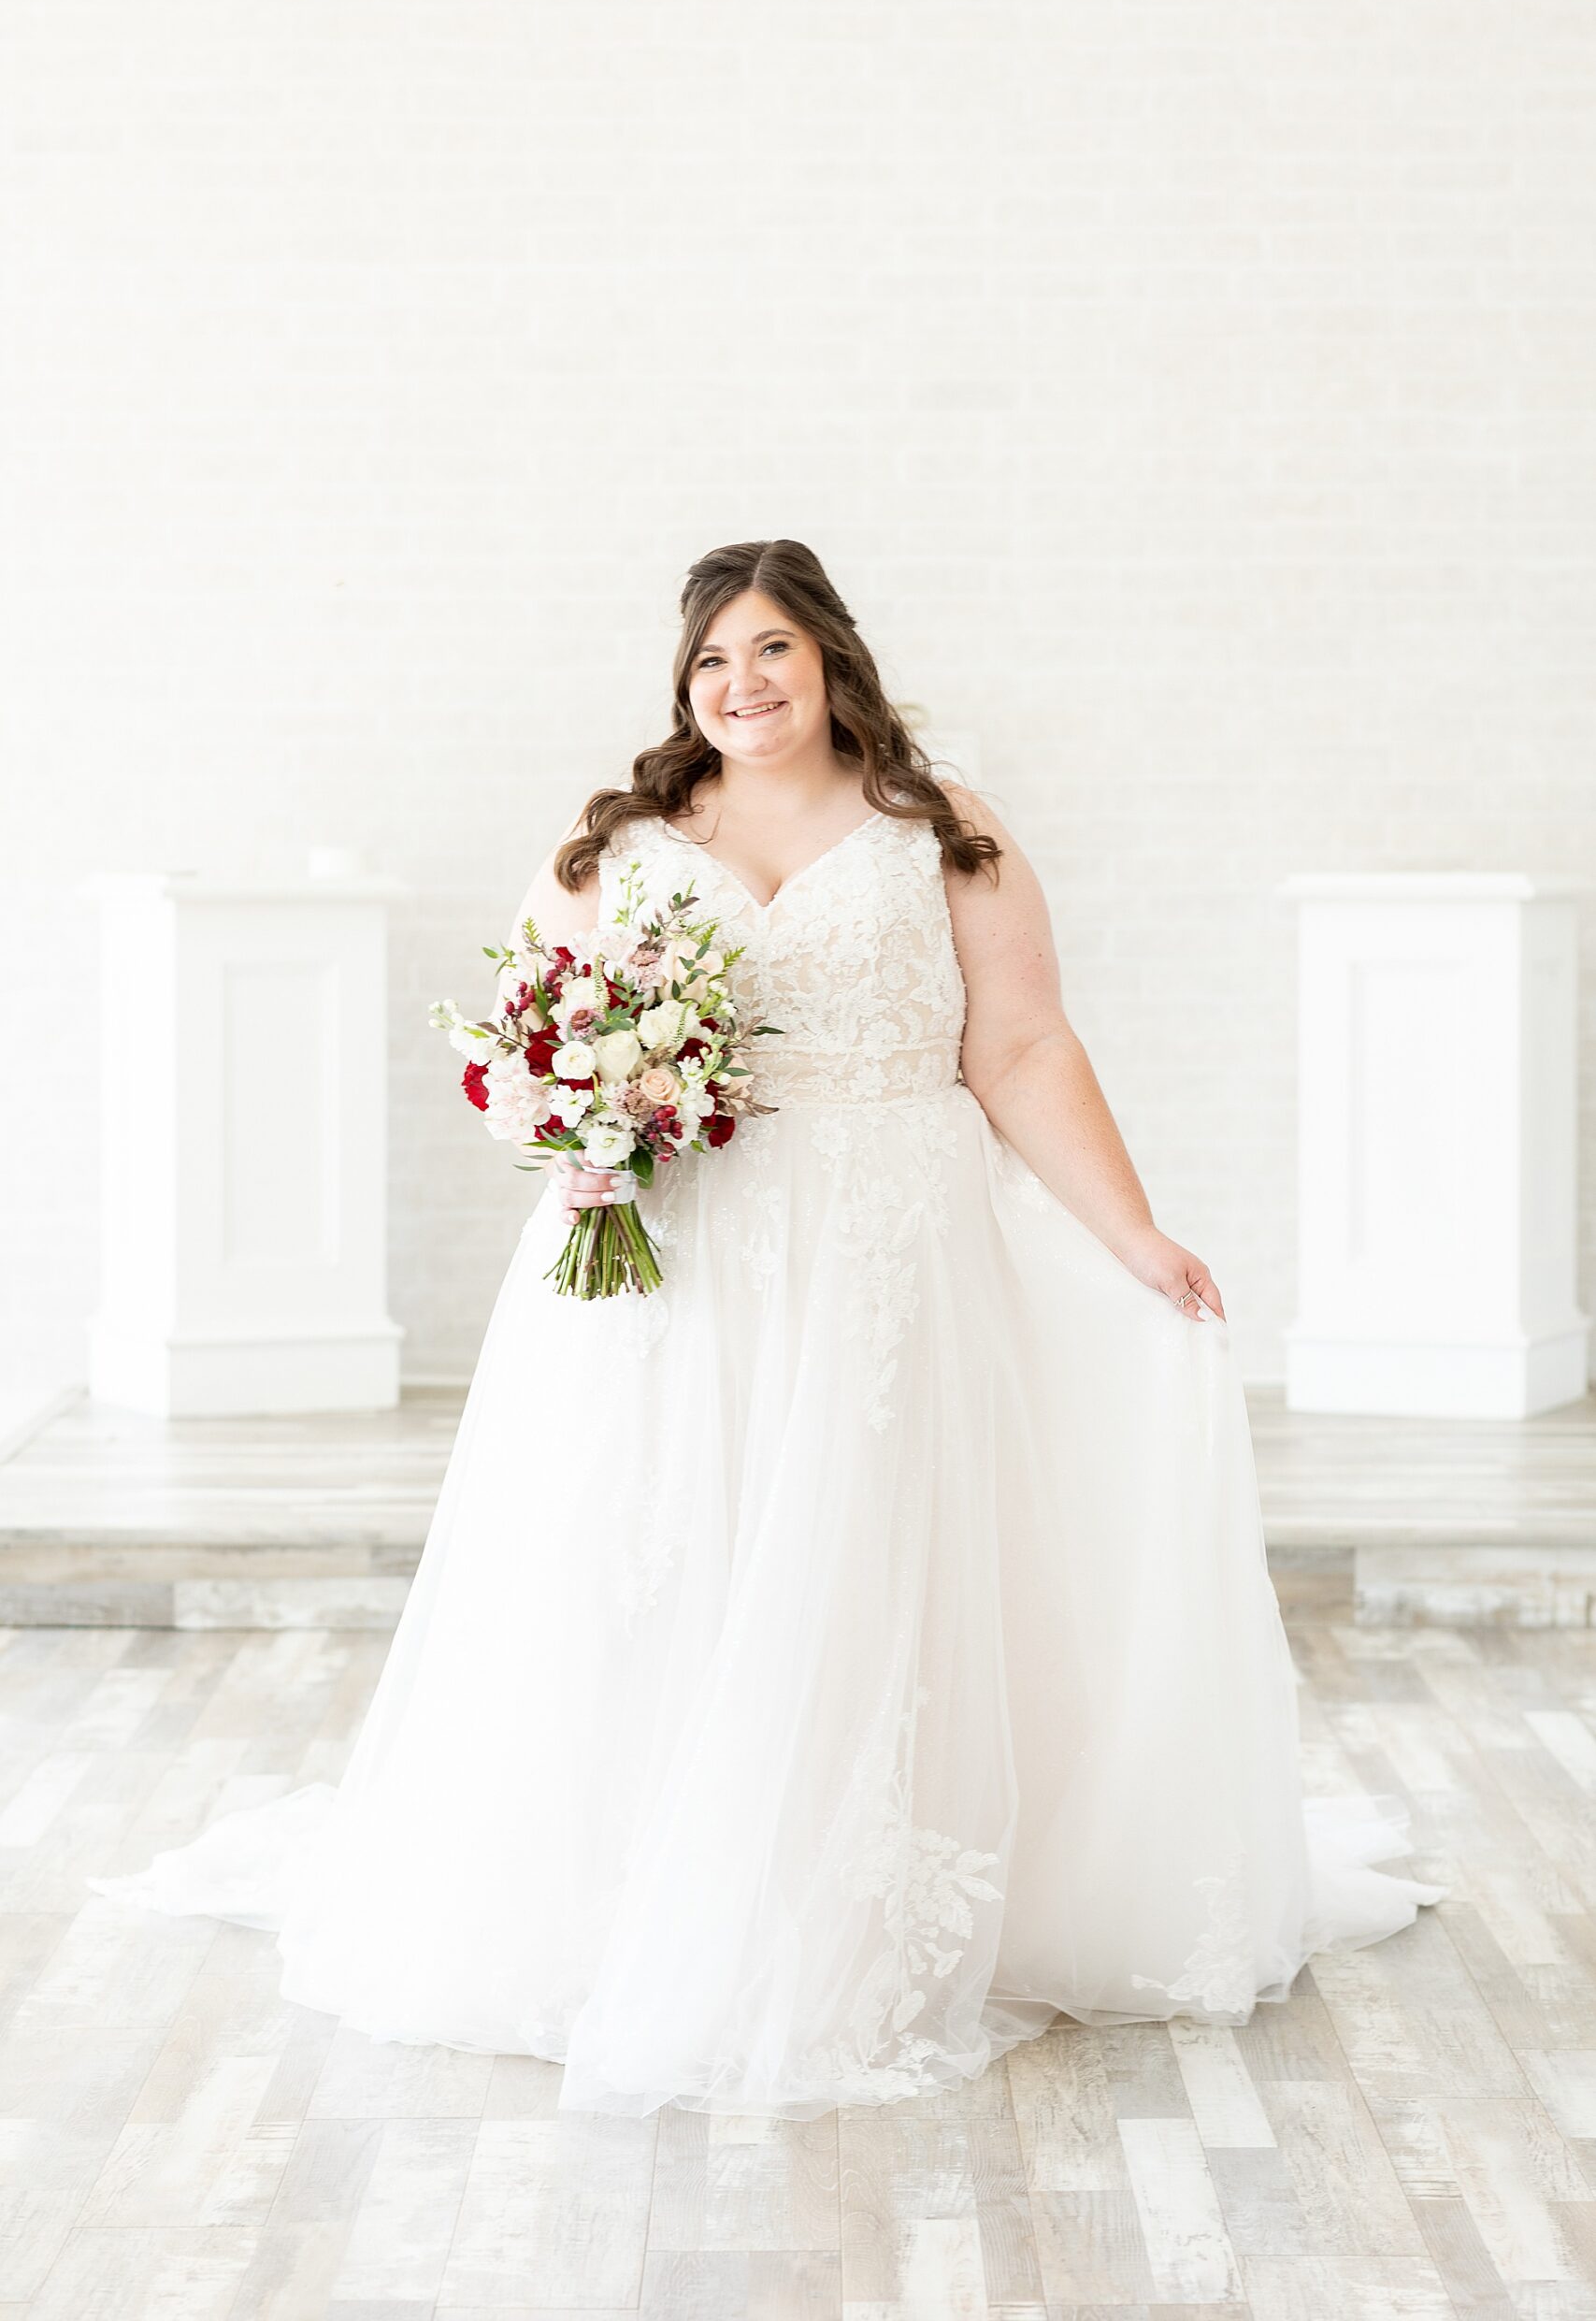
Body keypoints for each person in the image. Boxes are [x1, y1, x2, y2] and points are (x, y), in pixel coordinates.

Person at [87, 537, 1445, 2122]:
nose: (744, 685)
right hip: (685, 1249)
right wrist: (583, 1119)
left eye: (775, 652)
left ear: (834, 661)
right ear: (685, 686)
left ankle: (848, 1913)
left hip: (889, 1246)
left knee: (864, 1560)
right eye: (714, 661)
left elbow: (1020, 1047)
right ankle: (647, 1888)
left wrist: (1134, 1231)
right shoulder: (621, 844)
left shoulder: (941, 834)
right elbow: (526, 1046)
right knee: (659, 1551)